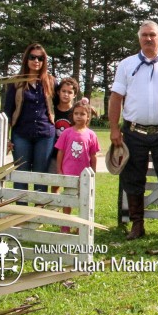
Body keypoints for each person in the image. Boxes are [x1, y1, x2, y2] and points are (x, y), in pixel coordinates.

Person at [109, 21, 158, 241]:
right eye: (144, 35)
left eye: (152, 35)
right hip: (133, 133)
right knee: (133, 179)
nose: (148, 39)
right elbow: (116, 97)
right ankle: (137, 225)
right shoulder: (126, 65)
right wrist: (114, 128)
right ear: (139, 38)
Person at [3, 43, 57, 195]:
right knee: (21, 175)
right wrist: (5, 138)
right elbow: (8, 111)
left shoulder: (51, 81)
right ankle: (20, 212)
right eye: (32, 57)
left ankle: (39, 213)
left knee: (41, 175)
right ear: (26, 59)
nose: (36, 61)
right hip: (21, 134)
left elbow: (62, 105)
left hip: (45, 135)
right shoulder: (16, 82)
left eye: (40, 58)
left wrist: (82, 105)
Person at [55, 98, 99, 233]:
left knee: (83, 200)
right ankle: (65, 225)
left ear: (88, 117)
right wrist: (59, 170)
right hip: (68, 173)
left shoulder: (91, 135)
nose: (79, 116)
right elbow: (60, 153)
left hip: (84, 175)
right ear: (72, 115)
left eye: (82, 114)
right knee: (68, 200)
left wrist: (93, 172)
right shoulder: (66, 133)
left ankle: (82, 226)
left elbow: (93, 156)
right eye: (76, 113)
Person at [50, 77, 80, 193]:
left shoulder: (75, 113)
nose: (66, 95)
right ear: (58, 92)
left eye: (70, 92)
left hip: (70, 155)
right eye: (63, 91)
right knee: (55, 184)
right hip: (54, 153)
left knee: (70, 187)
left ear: (74, 95)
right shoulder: (52, 110)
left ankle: (66, 211)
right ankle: (54, 210)